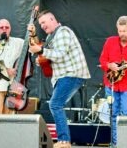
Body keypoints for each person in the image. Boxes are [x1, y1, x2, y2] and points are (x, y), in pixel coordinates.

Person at [28, 10, 90, 148]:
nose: (42, 25)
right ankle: (64, 140)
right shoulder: (52, 37)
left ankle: (64, 141)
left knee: (55, 104)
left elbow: (60, 54)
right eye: (40, 24)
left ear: (52, 19)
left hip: (71, 74)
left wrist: (41, 51)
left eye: (44, 22)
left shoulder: (62, 32)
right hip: (64, 75)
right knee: (56, 104)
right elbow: (48, 54)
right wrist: (42, 57)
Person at [99, 16, 127, 148]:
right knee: (113, 115)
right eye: (119, 31)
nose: (121, 34)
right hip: (111, 85)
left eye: (124, 31)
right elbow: (102, 61)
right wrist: (109, 65)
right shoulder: (110, 42)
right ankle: (115, 144)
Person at [0, 19, 24, 114]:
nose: (4, 29)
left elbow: (30, 45)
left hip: (13, 85)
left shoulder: (17, 42)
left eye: (7, 27)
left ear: (10, 29)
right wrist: (7, 70)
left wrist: (32, 33)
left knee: (10, 117)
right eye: (1, 27)